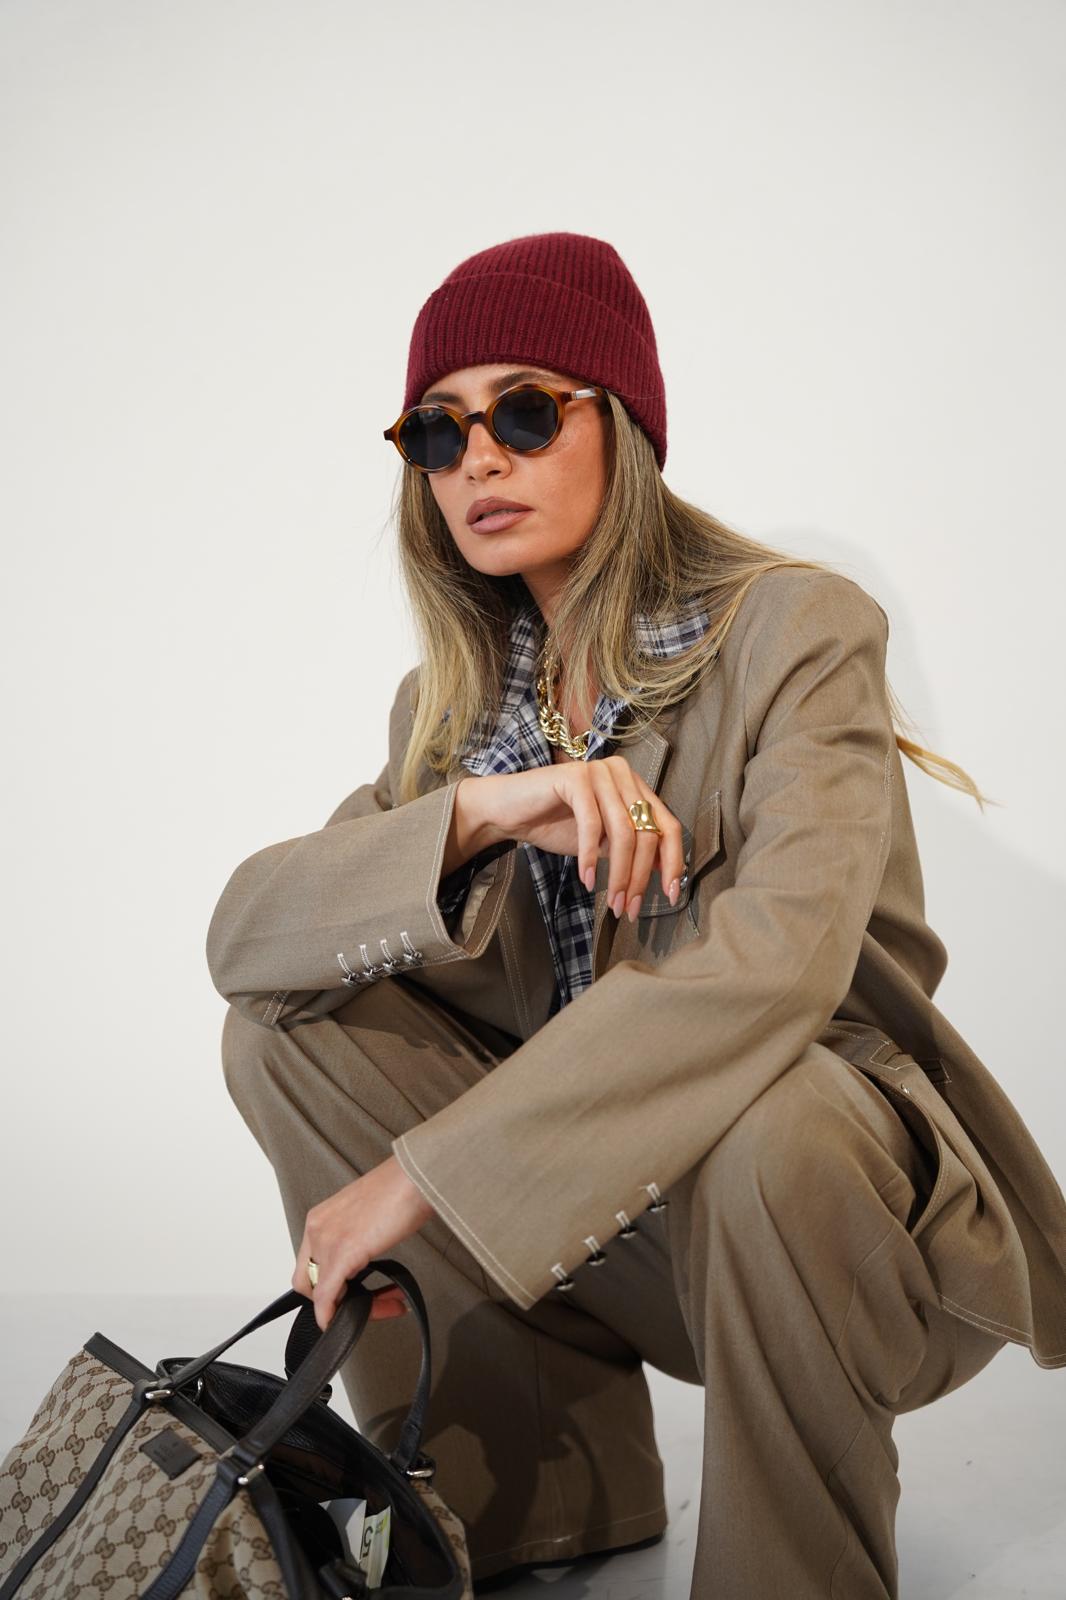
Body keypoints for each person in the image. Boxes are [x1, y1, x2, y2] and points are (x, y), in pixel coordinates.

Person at [207, 231, 1066, 1599]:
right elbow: (246, 942)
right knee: (282, 1034)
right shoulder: (457, 712)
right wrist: (483, 812)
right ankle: (547, 1497)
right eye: (435, 431)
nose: (475, 461)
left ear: (624, 427)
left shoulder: (797, 634)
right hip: (598, 1225)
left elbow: (775, 967)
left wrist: (424, 1174)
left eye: (522, 414)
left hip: (828, 1230)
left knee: (780, 1115)